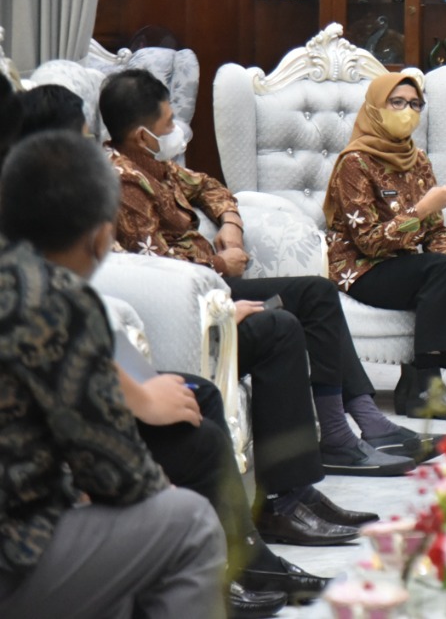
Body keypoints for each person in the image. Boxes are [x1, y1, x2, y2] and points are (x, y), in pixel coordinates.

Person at [9, 86, 340, 613]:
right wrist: (144, 434)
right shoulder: (46, 291)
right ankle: (236, 564)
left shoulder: (42, 278)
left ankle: (254, 555)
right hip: (19, 544)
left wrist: (230, 233)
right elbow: (106, 460)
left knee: (199, 396)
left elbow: (92, 354)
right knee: (185, 516)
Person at [98, 71, 415, 513]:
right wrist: (220, 265)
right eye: (169, 124)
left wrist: (231, 227)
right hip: (195, 297)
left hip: (215, 282)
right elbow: (156, 266)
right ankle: (340, 437)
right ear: (141, 135)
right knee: (288, 319)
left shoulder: (156, 164)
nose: (178, 132)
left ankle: (353, 422)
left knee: (316, 294)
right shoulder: (123, 181)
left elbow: (210, 187)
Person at [0, 131, 226, 619]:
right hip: (12, 555)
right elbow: (115, 472)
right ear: (102, 237)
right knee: (187, 523)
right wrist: (155, 487)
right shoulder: (56, 298)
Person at [323, 72, 446, 416]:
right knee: (438, 270)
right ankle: (426, 385)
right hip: (361, 270)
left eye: (415, 104)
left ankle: (418, 379)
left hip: (405, 267)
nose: (407, 111)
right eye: (396, 103)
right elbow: (368, 242)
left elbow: (434, 232)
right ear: (375, 108)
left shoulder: (419, 160)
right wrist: (422, 208)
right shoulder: (354, 163)